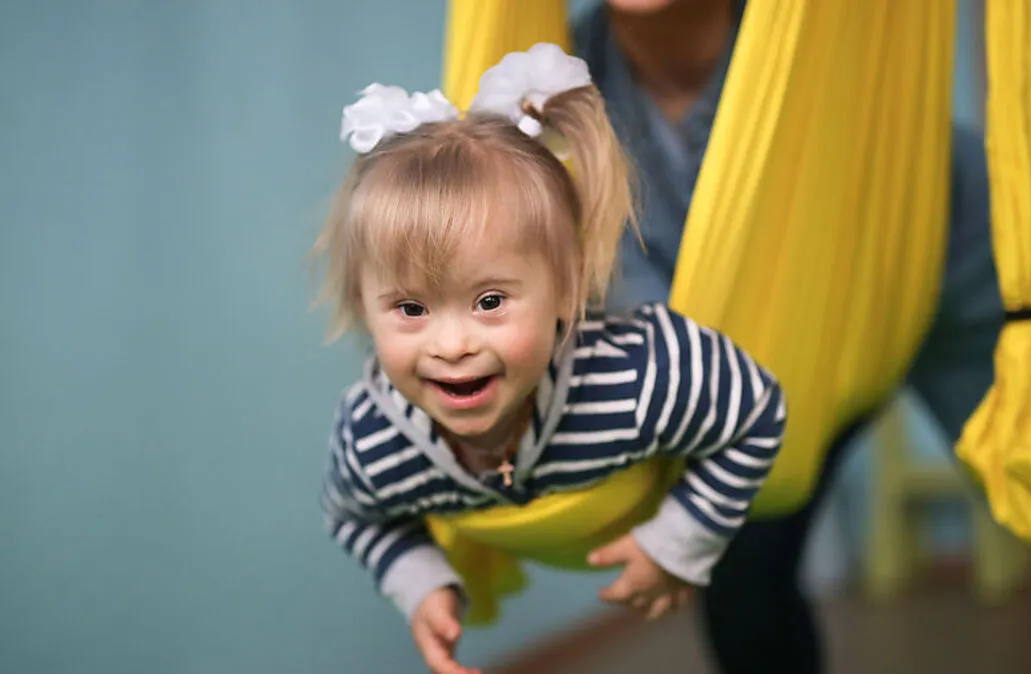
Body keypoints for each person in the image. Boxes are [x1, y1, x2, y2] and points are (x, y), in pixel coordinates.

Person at [573, 0, 1031, 672]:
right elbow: (625, 294)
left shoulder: (822, 25)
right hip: (774, 348)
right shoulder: (551, 81)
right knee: (741, 562)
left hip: (944, 251)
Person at [314, 44, 788, 674]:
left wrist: (679, 541)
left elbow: (757, 410)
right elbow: (351, 514)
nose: (451, 346)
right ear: (363, 308)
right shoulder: (373, 440)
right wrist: (419, 582)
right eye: (410, 308)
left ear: (567, 289)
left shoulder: (642, 377)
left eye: (489, 302)